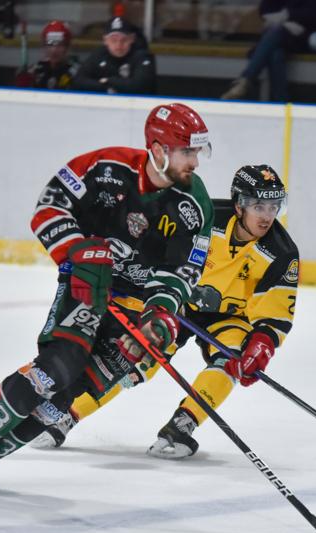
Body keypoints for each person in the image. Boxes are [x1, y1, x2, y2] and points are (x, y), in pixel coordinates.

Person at [0, 102, 215, 489]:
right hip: (89, 284)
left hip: (135, 307)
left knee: (64, 399)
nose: (195, 162)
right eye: (188, 151)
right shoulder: (104, 167)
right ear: (158, 149)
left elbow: (180, 270)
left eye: (198, 152)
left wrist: (161, 313)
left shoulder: (194, 204)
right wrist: (77, 251)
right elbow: (48, 207)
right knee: (58, 367)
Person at [30, 165, 298, 459]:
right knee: (135, 357)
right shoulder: (206, 219)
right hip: (177, 301)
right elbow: (160, 252)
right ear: (239, 204)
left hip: (229, 318)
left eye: (274, 206)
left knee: (232, 357)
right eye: (258, 206)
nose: (267, 215)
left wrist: (263, 343)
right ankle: (69, 413)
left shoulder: (282, 252)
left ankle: (183, 424)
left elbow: (275, 312)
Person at [220, 0, 316, 102]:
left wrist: (286, 16)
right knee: (276, 53)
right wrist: (282, 21)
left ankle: (246, 79)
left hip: (303, 36)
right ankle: (281, 103)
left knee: (275, 34)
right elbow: (264, 10)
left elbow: (313, 14)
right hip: (277, 37)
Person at [72, 16, 156, 95]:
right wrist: (104, 87)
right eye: (113, 40)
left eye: (124, 40)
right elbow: (78, 81)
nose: (119, 45)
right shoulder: (99, 55)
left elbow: (140, 86)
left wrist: (108, 81)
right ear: (105, 40)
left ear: (132, 39)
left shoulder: (142, 56)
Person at [15, 19, 79, 89]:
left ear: (67, 47)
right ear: (44, 46)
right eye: (50, 44)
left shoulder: (77, 73)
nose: (54, 50)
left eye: (59, 45)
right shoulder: (35, 70)